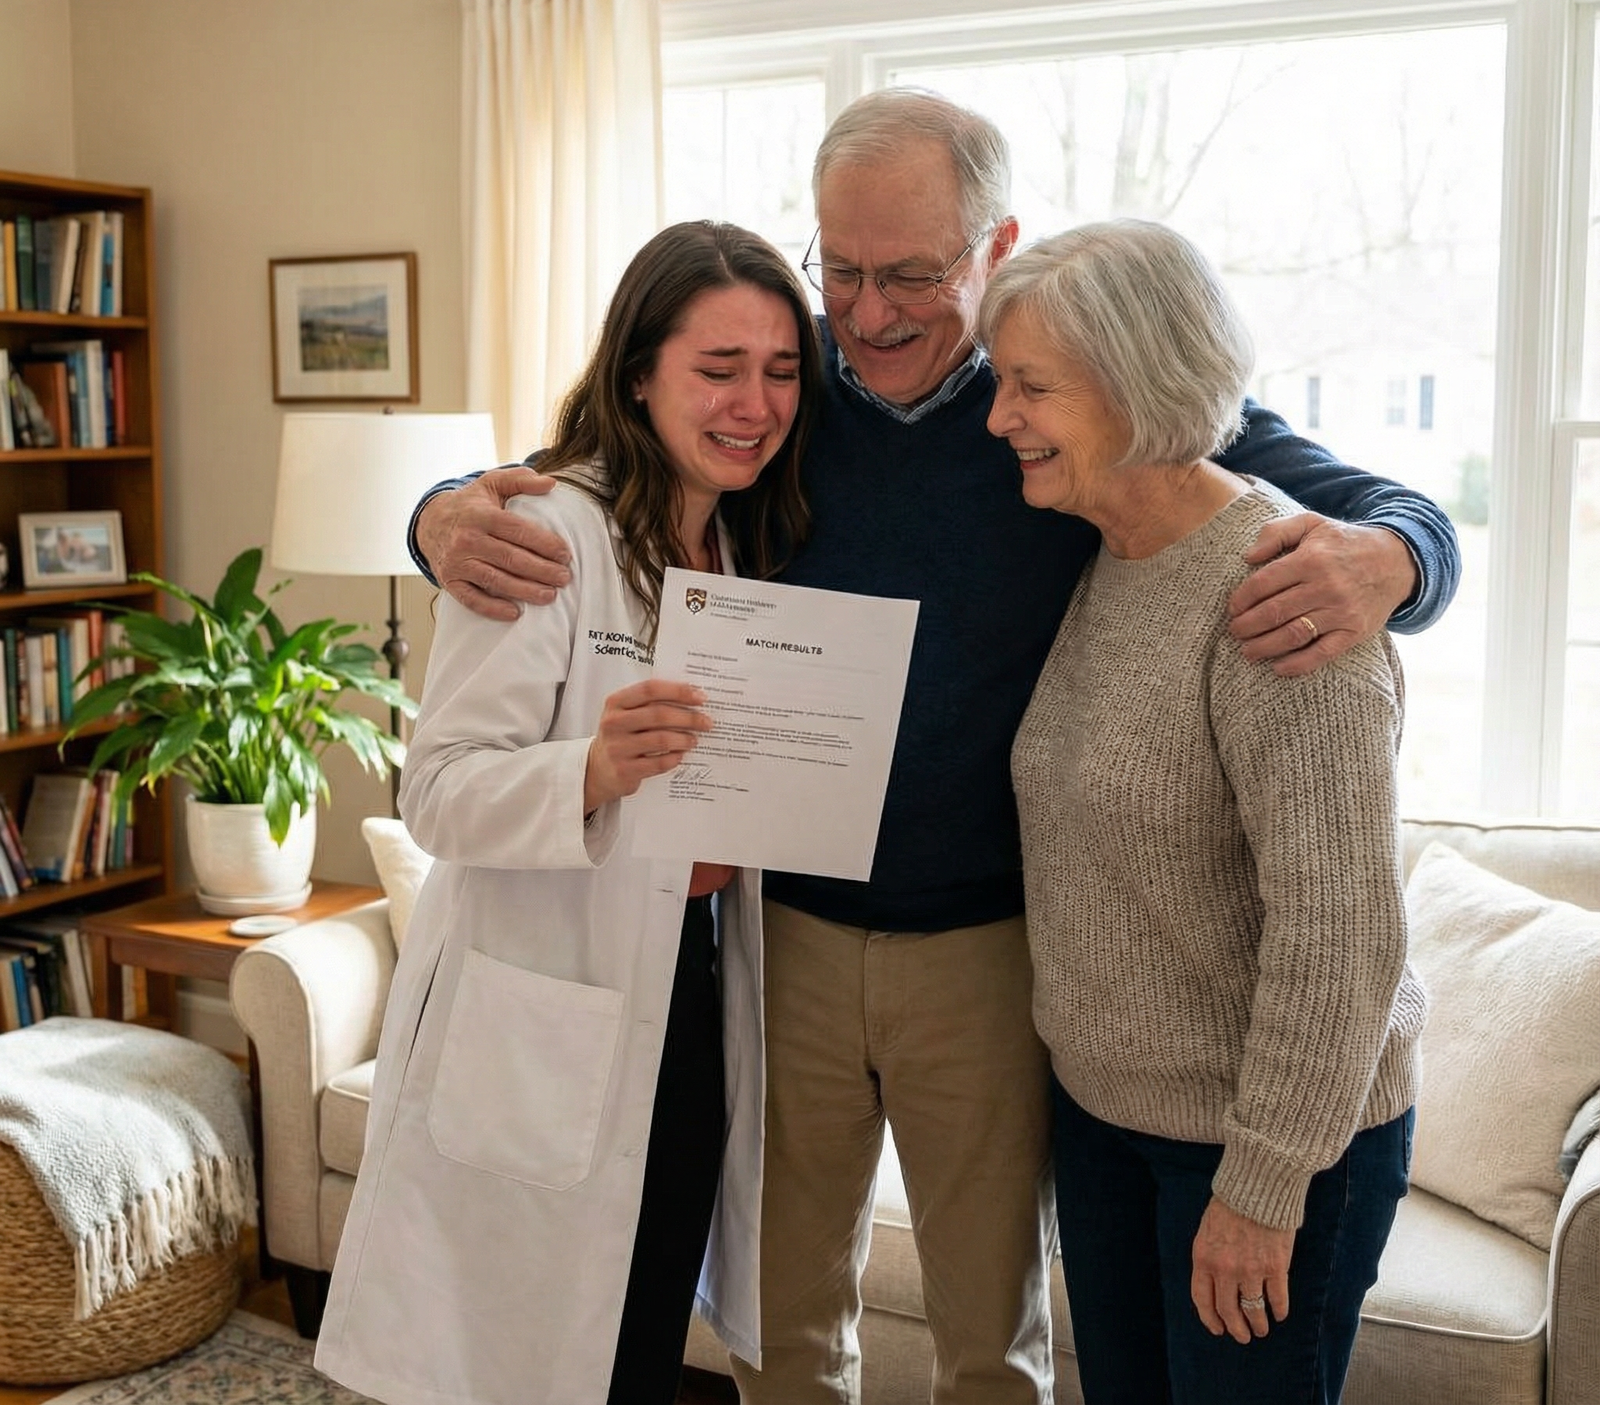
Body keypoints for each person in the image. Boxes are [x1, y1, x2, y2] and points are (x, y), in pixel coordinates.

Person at [406, 90, 1459, 1405]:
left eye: (912, 273)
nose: (871, 311)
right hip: (782, 936)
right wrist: (438, 513)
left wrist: (1401, 555)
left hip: (994, 952)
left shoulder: (1087, 392)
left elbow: (1355, 504)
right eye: (838, 272)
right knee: (780, 1326)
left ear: (995, 245)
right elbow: (585, 479)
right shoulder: (779, 404)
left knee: (989, 1345)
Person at [314, 220, 823, 1405]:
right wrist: (587, 772)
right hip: (543, 1005)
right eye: (716, 368)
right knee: (515, 1367)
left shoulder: (742, 548)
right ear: (637, 372)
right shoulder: (544, 530)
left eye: (781, 370)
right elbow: (434, 789)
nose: (754, 402)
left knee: (637, 1344)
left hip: (688, 1006)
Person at [984, 219, 1426, 1405]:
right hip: (1110, 1119)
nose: (998, 419)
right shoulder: (1108, 554)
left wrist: (1262, 1184)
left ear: (1137, 388)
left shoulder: (1282, 597)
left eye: (1032, 388)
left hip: (1264, 1145)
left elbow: (1339, 937)